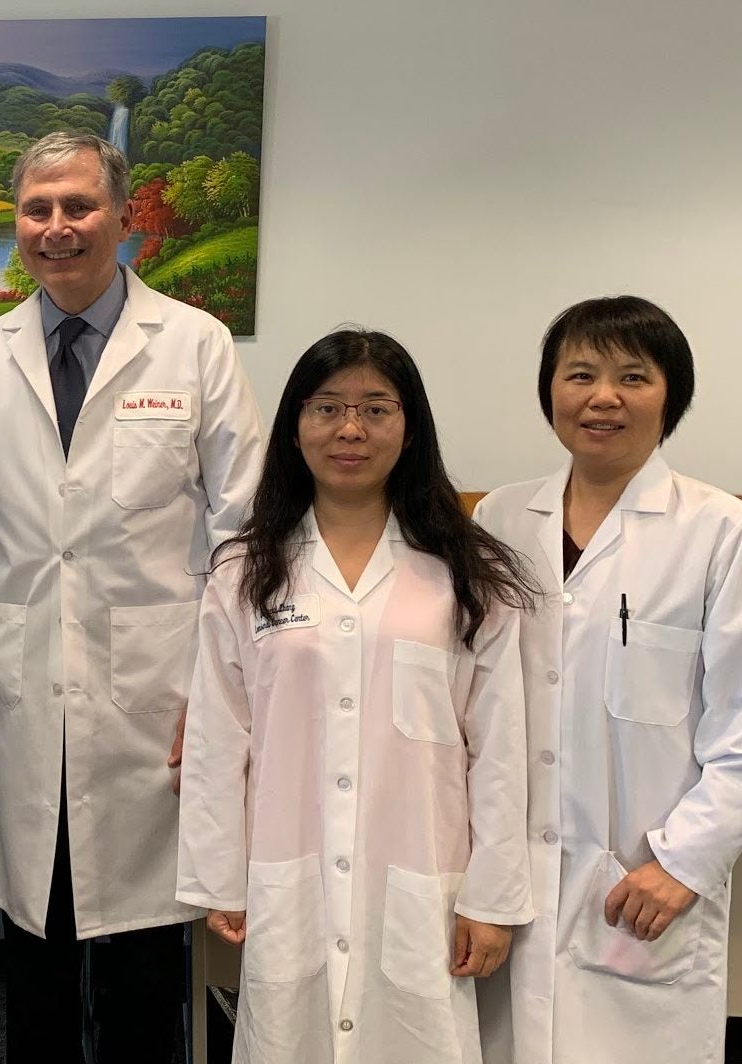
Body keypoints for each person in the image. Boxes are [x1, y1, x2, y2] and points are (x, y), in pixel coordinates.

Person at [0, 130, 264, 1059]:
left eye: (77, 206)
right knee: (34, 963)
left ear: (121, 216)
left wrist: (222, 691)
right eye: (37, 209)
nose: (57, 228)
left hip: (155, 701)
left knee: (141, 970)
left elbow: (240, 525)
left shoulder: (194, 345)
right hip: (21, 691)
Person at [177, 329, 537, 1062]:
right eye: (327, 407)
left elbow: (499, 748)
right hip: (290, 866)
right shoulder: (246, 571)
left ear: (410, 428)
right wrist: (220, 877)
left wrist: (492, 899)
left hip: (421, 879)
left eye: (377, 409)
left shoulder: (465, 574)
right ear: (295, 426)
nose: (350, 429)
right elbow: (219, 737)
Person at [473, 296, 742, 1064]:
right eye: (580, 374)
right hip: (510, 887)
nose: (603, 397)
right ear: (549, 391)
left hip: (643, 886)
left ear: (671, 395)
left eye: (633, 376)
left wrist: (684, 862)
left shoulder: (719, 531)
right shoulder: (498, 521)